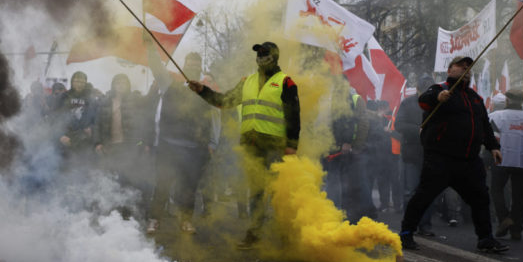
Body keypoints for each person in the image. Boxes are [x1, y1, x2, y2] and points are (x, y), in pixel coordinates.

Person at [189, 41, 300, 248]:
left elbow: (294, 115)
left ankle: (285, 234)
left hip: (275, 145)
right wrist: (203, 91)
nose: (260, 57)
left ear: (274, 57)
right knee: (256, 190)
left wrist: (291, 146)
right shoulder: (246, 81)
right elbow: (225, 101)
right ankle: (255, 233)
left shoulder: (286, 82)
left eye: (264, 53)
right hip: (252, 144)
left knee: (279, 190)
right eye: (258, 53)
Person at [399, 56, 508, 253]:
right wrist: (438, 98)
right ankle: (406, 233)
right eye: (462, 67)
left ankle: (485, 238)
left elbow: (484, 125)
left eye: (469, 68)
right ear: (450, 70)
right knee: (423, 196)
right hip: (441, 159)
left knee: (481, 198)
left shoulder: (476, 98)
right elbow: (424, 100)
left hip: (469, 161)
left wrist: (493, 146)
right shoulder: (439, 88)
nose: (467, 70)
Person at [147, 48, 218, 235]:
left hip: (194, 148)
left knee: (189, 187)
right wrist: (149, 47)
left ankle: (186, 221)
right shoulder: (170, 83)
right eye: (190, 63)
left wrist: (212, 143)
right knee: (162, 184)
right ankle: (154, 220)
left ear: (200, 69)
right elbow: (156, 67)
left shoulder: (205, 91)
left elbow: (213, 119)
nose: (193, 67)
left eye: (197, 65)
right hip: (169, 146)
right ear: (184, 65)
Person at [489, 89, 523, 240]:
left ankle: (504, 218)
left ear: (506, 100)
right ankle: (516, 229)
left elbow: (489, 139)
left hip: (501, 160)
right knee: (519, 196)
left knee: (496, 190)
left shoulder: (495, 116)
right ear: (522, 101)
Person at [93, 74, 149, 215]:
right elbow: (97, 123)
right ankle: (113, 208)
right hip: (110, 145)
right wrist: (98, 142)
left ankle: (127, 209)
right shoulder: (105, 101)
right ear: (113, 84)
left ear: (128, 85)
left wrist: (142, 142)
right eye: (118, 82)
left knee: (128, 177)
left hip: (128, 145)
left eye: (124, 82)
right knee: (112, 177)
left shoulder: (134, 100)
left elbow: (142, 123)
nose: (121, 85)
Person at [320, 90, 372, 223]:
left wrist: (356, 146)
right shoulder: (327, 98)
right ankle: (346, 213)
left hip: (349, 148)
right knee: (338, 180)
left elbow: (362, 124)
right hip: (334, 147)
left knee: (348, 180)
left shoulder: (353, 98)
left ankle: (360, 214)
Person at [396, 75, 437, 236]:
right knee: (411, 191)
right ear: (418, 89)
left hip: (431, 154)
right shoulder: (407, 103)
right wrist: (418, 129)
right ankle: (409, 225)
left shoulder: (437, 104)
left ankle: (425, 225)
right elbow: (399, 125)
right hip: (412, 154)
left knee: (429, 191)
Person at [54, 71, 98, 159]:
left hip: (84, 139)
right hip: (66, 138)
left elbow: (96, 119)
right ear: (72, 82)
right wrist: (60, 135)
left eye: (82, 82)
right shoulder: (63, 97)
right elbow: (55, 118)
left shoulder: (90, 99)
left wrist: (91, 128)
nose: (79, 84)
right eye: (77, 81)